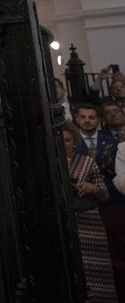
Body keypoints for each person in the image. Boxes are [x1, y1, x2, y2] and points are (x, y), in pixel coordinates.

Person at [63, 122, 117, 301]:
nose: (64, 144)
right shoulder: (47, 162)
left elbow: (105, 194)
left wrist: (91, 188)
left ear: (74, 143)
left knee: (97, 275)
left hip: (89, 223)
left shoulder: (86, 162)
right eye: (60, 140)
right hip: (64, 224)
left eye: (67, 140)